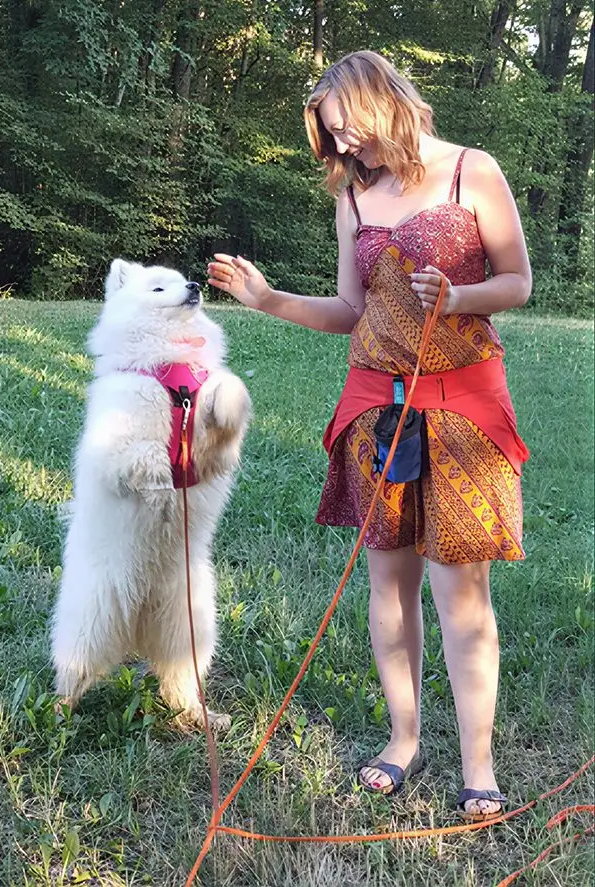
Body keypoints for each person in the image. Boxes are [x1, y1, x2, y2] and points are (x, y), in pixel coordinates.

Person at [207, 50, 531, 821]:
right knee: (388, 584)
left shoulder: (472, 171)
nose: (344, 145)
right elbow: (351, 310)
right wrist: (267, 298)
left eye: (347, 127)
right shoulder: (353, 198)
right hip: (376, 409)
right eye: (332, 136)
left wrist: (459, 296)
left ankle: (479, 765)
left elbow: (518, 283)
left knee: (461, 592)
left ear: (383, 99)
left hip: (463, 410)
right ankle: (402, 739)